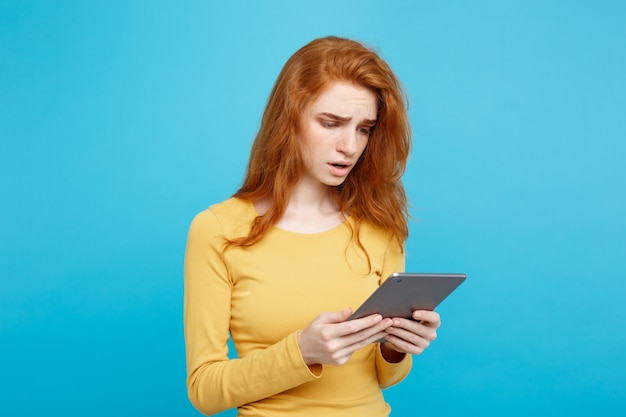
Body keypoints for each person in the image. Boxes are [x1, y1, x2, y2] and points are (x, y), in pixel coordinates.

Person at [184, 36, 441, 417]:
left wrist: (396, 345)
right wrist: (303, 351)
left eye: (364, 128)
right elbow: (204, 390)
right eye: (331, 123)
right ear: (289, 120)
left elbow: (384, 378)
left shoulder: (381, 225)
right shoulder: (218, 229)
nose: (349, 146)